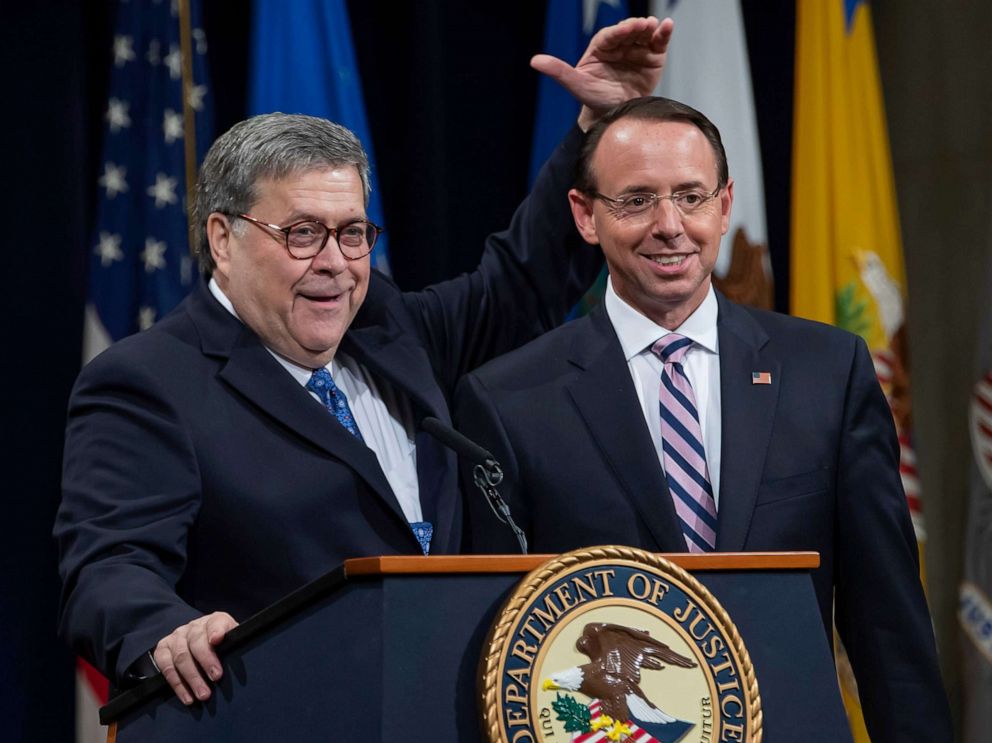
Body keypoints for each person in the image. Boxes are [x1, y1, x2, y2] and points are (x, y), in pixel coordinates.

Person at [54, 18, 675, 706]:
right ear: (222, 240)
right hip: (280, 716)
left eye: (352, 233)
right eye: (301, 234)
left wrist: (600, 120)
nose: (335, 264)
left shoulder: (386, 328)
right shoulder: (150, 381)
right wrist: (166, 630)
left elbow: (520, 283)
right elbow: (109, 564)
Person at [454, 96, 953, 740]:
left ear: (724, 205)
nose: (670, 224)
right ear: (584, 215)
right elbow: (497, 640)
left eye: (691, 196)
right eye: (636, 200)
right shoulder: (508, 400)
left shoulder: (827, 372)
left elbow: (888, 623)